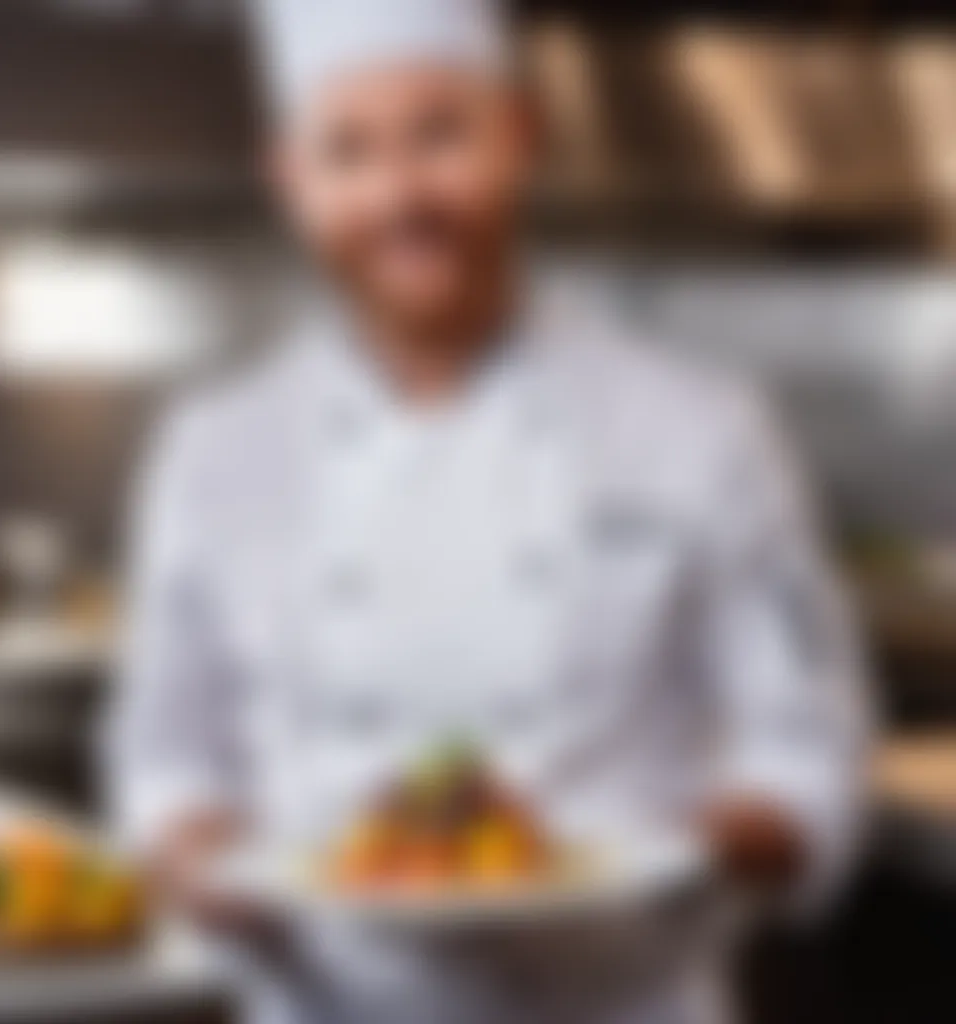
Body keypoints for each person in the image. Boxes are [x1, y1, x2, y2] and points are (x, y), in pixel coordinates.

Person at [105, 1, 870, 1021]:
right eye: (349, 151)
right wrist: (201, 864)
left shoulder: (703, 429)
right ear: (291, 179)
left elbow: (807, 744)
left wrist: (705, 842)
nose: (400, 194)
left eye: (440, 134)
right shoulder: (213, 451)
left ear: (520, 135)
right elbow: (165, 753)